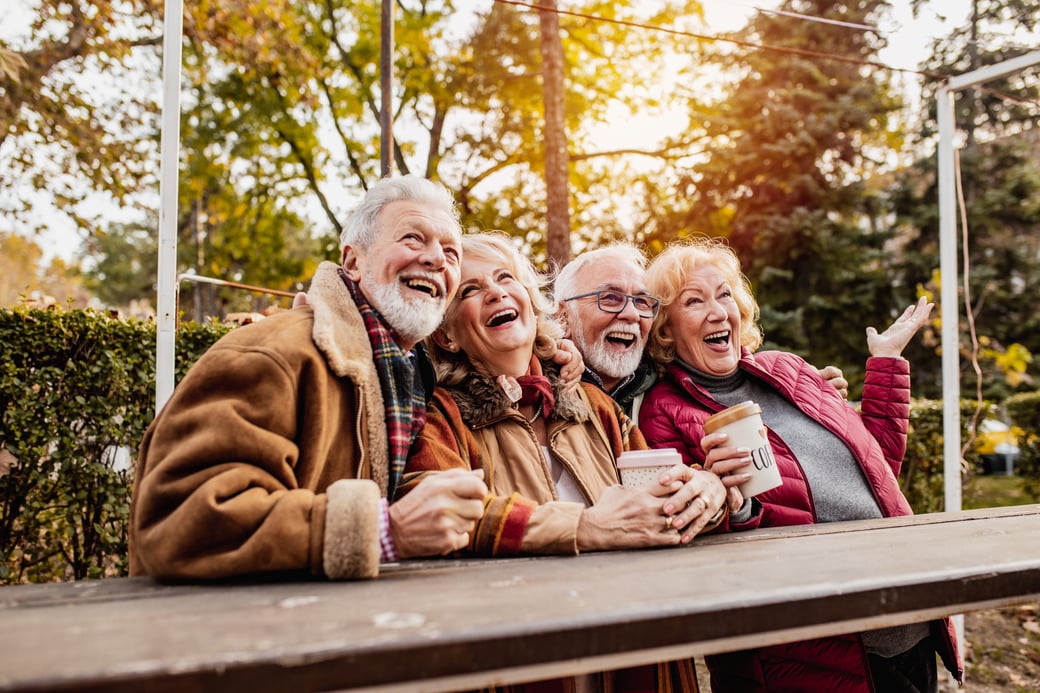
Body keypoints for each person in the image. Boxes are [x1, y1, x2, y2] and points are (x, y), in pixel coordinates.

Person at [401, 232, 727, 692]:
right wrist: (584, 526)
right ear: (447, 335)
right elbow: (443, 515)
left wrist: (706, 491)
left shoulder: (594, 404)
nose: (495, 292)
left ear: (532, 306)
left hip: (639, 663)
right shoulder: (440, 416)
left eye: (505, 278)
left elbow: (659, 489)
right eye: (470, 290)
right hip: (521, 672)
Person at [636, 237, 962, 692]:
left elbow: (879, 465)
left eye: (724, 294)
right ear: (666, 328)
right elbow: (686, 539)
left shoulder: (788, 369)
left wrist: (886, 362)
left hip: (906, 624)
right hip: (814, 653)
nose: (717, 311)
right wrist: (737, 506)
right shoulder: (664, 410)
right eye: (694, 300)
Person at [130, 175, 491, 581]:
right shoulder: (270, 354)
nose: (437, 259)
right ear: (353, 262)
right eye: (412, 238)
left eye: (450, 252)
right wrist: (387, 531)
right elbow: (182, 521)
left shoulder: (406, 375)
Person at [552, 242, 849, 521]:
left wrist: (816, 399)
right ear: (562, 315)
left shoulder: (652, 383)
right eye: (610, 298)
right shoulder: (539, 384)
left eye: (642, 302)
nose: (630, 313)